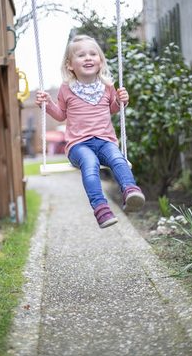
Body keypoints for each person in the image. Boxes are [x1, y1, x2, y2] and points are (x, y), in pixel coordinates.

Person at [36, 34, 145, 229]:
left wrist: (121, 101)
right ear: (70, 64)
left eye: (93, 54)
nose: (88, 58)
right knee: (90, 162)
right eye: (81, 55)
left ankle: (130, 191)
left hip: (105, 141)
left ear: (100, 61)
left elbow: (112, 108)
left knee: (118, 158)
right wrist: (48, 104)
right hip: (78, 145)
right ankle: (101, 208)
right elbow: (61, 115)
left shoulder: (107, 86)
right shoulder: (66, 88)